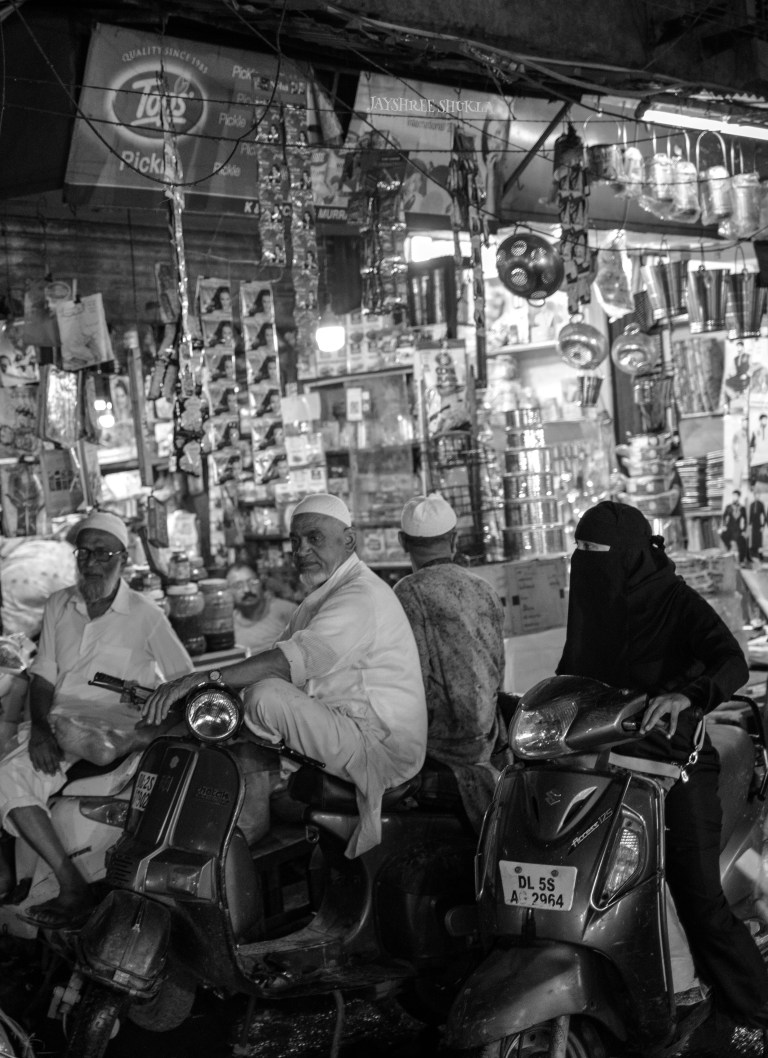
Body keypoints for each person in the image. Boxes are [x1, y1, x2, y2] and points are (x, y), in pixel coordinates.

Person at [557, 500, 768, 1029]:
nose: (586, 561)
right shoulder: (593, 600)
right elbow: (572, 673)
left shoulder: (674, 600)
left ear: (629, 556)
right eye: (580, 550)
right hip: (608, 766)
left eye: (596, 552)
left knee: (699, 900)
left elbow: (732, 661)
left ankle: (756, 1007)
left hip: (679, 767)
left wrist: (686, 696)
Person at [142, 494, 427, 858]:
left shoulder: (360, 596)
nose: (302, 550)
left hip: (380, 746)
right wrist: (203, 690)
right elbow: (274, 655)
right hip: (348, 728)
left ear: (349, 540)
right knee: (245, 700)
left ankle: (246, 826)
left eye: (314, 538)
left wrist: (203, 678)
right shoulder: (320, 599)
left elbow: (288, 662)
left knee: (264, 697)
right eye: (295, 541)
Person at [0, 510, 193, 928]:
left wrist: (154, 722)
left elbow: (183, 680)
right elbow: (43, 676)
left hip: (114, 723)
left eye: (102, 553)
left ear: (123, 558)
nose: (90, 563)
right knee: (9, 776)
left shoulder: (145, 615)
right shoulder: (59, 604)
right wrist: (39, 731)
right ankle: (61, 882)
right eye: (84, 553)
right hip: (58, 722)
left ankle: (71, 886)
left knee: (13, 772)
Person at [394, 494, 506, 830]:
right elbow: (498, 672)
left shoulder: (406, 593)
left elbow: (410, 683)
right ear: (454, 540)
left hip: (439, 748)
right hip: (490, 742)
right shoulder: (484, 589)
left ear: (402, 542)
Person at [226, 563, 296, 656]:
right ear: (228, 591)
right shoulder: (228, 623)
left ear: (261, 583)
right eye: (238, 585)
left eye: (252, 582)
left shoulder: (286, 610)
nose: (247, 590)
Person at [720, 489, 749, 566]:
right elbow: (724, 517)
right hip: (729, 528)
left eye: (736, 496)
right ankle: (729, 552)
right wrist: (724, 526)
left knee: (743, 542)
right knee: (723, 536)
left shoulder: (742, 508)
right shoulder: (729, 507)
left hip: (738, 529)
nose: (734, 497)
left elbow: (745, 520)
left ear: (739, 497)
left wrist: (744, 530)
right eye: (733, 496)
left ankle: (741, 561)